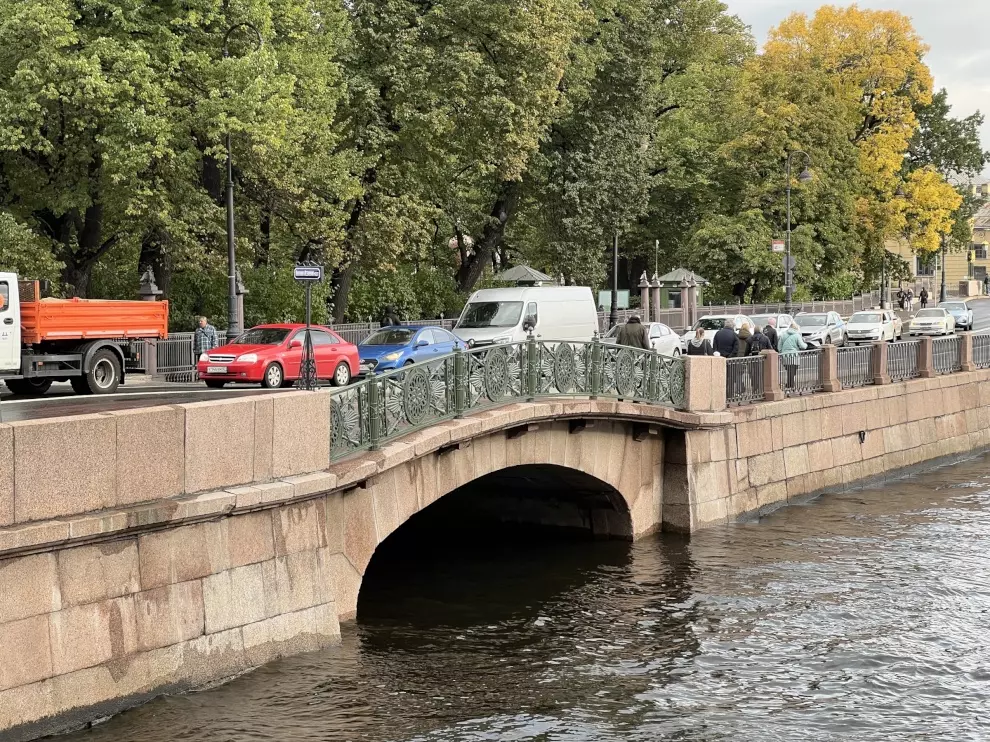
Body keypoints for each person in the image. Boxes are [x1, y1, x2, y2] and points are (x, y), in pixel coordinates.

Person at [778, 322, 808, 390]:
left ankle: (790, 383)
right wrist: (806, 345)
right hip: (794, 355)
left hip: (785, 355)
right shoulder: (797, 335)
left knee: (788, 369)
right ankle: (790, 384)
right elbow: (802, 346)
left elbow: (779, 346)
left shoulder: (783, 334)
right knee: (793, 369)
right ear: (796, 328)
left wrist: (781, 352)